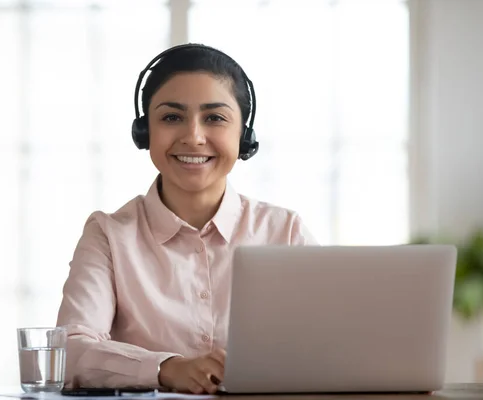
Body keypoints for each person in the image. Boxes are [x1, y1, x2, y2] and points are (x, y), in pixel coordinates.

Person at [56, 43, 317, 394]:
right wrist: (166, 368)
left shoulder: (285, 231)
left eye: (215, 118)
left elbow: (328, 345)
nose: (193, 137)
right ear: (144, 131)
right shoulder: (107, 235)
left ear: (244, 136)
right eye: (171, 117)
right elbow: (71, 351)